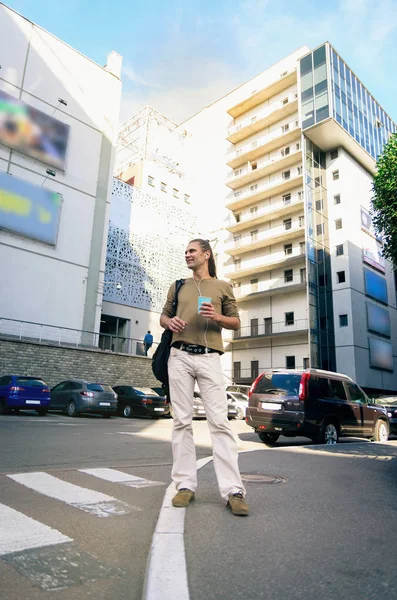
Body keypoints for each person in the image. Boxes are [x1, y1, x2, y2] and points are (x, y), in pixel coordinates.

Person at [160, 238, 249, 516]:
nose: (187, 255)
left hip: (210, 356)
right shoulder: (179, 286)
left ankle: (234, 491)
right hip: (180, 356)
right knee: (181, 421)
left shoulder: (222, 286)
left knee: (219, 422)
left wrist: (218, 317)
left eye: (192, 251)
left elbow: (236, 322)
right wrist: (169, 322)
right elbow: (164, 316)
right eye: (185, 251)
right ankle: (185, 486)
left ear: (206, 255)